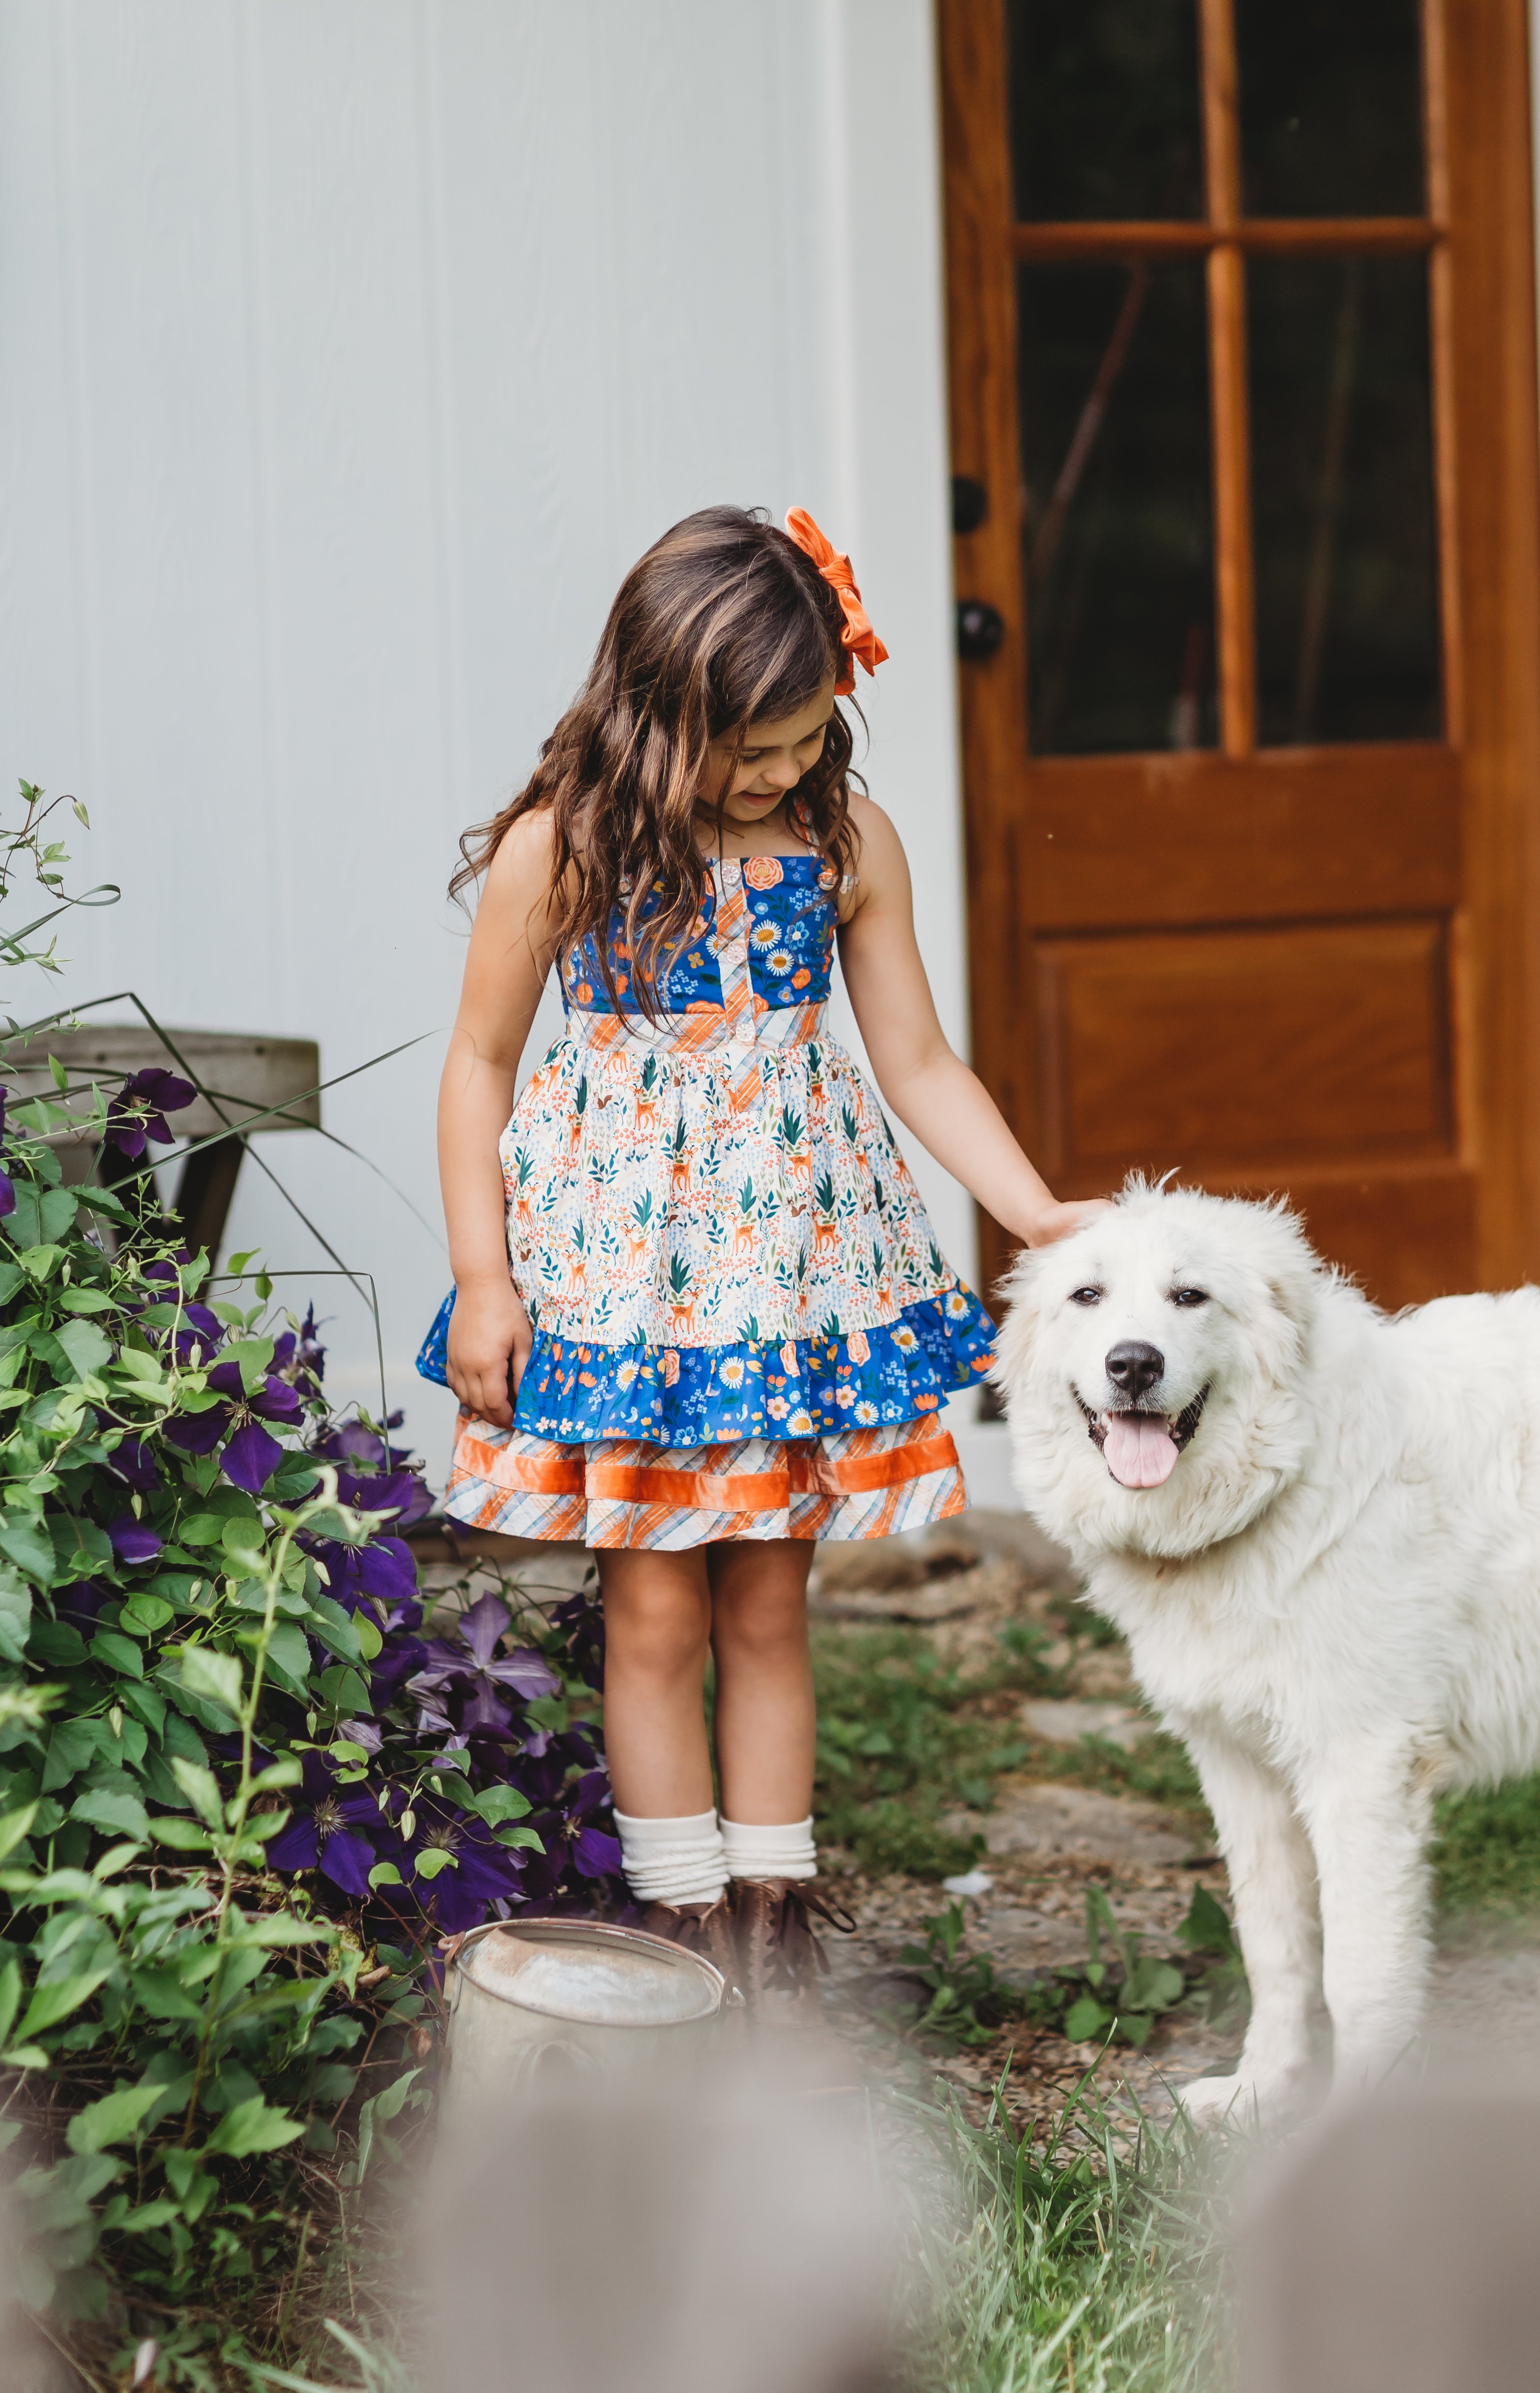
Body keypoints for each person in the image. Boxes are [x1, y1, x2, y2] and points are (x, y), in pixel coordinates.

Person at [422, 506, 1103, 2007]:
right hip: (622, 1288)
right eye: (754, 747)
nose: (785, 771)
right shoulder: (566, 850)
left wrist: (1038, 1211)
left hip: (788, 1287)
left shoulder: (845, 847)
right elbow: (478, 1065)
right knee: (653, 1610)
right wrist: (487, 1275)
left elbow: (919, 1060)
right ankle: (682, 1939)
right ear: (657, 711)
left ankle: (776, 1926)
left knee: (767, 1604)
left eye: (806, 736)